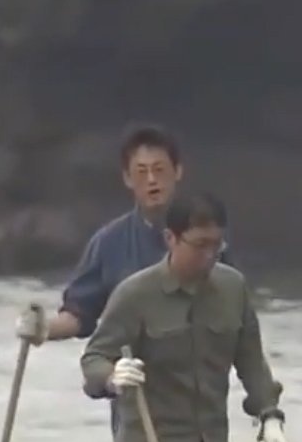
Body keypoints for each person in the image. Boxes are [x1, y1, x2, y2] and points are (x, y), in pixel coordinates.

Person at [80, 190, 290, 442]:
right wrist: (112, 376)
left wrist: (269, 414)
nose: (209, 255)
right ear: (171, 239)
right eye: (200, 245)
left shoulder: (232, 288)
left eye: (217, 245)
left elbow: (250, 358)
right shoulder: (136, 294)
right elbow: (94, 358)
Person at [15, 122, 233, 348]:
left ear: (177, 171)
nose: (151, 180)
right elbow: (78, 314)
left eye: (159, 170)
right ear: (128, 178)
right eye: (141, 172)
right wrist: (42, 329)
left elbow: (233, 311)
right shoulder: (108, 242)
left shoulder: (207, 238)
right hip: (125, 363)